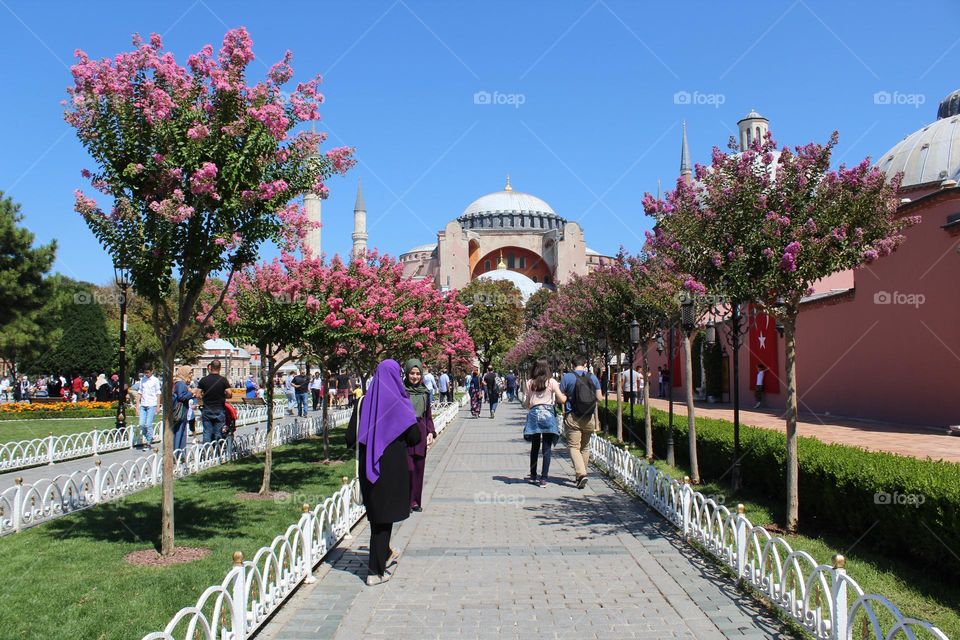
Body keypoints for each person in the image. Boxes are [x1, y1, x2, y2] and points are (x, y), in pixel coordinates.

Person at [345, 359, 422, 586]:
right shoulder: (400, 404)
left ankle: (382, 556)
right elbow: (415, 437)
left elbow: (350, 438)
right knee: (385, 522)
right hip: (393, 469)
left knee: (376, 520)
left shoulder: (362, 403)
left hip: (369, 468)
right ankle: (375, 572)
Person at [560, 355, 603, 489]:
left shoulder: (567, 377)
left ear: (572, 364)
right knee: (585, 447)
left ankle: (581, 474)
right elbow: (600, 398)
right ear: (585, 364)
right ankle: (581, 475)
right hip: (589, 417)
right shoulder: (593, 377)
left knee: (574, 446)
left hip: (573, 416)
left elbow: (560, 398)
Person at [523, 359, 567, 486]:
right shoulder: (552, 382)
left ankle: (533, 475)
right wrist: (566, 397)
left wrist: (530, 404)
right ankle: (543, 478)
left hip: (534, 415)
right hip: (548, 414)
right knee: (547, 448)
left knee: (535, 447)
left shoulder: (530, 382)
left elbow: (527, 403)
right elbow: (561, 398)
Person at [403, 359, 436, 512]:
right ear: (407, 373)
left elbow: (428, 415)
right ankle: (406, 501)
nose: (415, 376)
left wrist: (430, 431)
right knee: (408, 469)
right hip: (406, 434)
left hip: (421, 432)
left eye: (417, 374)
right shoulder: (402, 391)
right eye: (412, 373)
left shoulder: (424, 392)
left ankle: (415, 501)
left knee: (419, 468)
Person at [197, 359, 232, 444]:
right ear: (220, 368)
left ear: (210, 368)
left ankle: (206, 452)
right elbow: (229, 394)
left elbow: (198, 395)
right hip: (219, 409)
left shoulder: (203, 380)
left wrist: (204, 396)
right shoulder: (223, 380)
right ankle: (217, 452)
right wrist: (224, 395)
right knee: (218, 433)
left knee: (207, 433)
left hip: (207, 409)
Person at [172, 365, 194, 457]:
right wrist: (191, 393)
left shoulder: (182, 383)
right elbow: (181, 396)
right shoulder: (180, 383)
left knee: (182, 432)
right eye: (190, 373)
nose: (191, 375)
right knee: (179, 432)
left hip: (183, 411)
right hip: (180, 411)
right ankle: (176, 454)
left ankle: (181, 454)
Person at [136, 367, 161, 448]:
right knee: (142, 424)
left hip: (152, 404)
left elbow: (158, 393)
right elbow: (140, 391)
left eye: (148, 372)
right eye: (145, 373)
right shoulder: (142, 380)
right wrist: (137, 404)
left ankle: (149, 441)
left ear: (151, 371)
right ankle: (149, 437)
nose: (146, 374)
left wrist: (158, 406)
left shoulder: (155, 380)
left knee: (148, 424)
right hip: (143, 404)